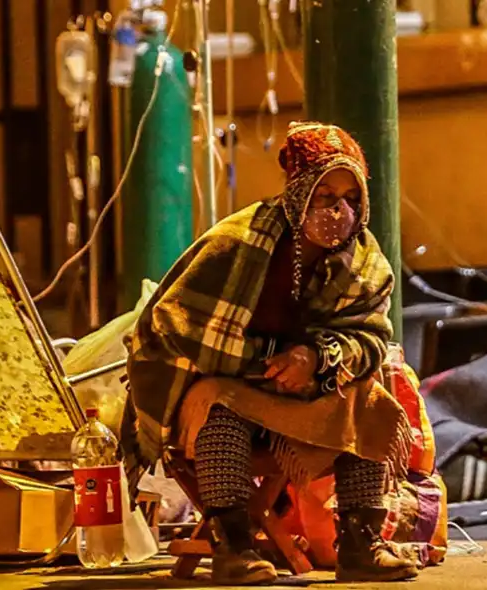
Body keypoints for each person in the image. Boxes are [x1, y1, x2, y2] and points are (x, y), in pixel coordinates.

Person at [120, 122, 419, 585]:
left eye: (351, 197)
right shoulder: (235, 243)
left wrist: (316, 359)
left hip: (302, 386)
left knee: (368, 396)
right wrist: (271, 362)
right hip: (220, 381)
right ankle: (233, 544)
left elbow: (370, 338)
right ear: (298, 193)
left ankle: (361, 543)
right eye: (325, 195)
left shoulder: (364, 260)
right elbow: (174, 328)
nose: (339, 210)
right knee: (219, 405)